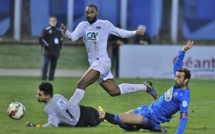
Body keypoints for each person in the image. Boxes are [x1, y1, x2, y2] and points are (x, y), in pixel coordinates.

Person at [60, 4, 157, 105]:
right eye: (87, 12)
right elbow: (72, 37)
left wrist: (134, 33)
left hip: (102, 61)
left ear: (96, 13)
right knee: (114, 91)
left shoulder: (105, 24)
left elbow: (121, 33)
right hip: (94, 64)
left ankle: (68, 111)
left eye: (92, 12)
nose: (89, 15)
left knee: (81, 84)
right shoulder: (82, 25)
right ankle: (145, 87)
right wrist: (66, 32)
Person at [100, 41, 194, 133]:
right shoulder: (177, 84)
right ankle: (141, 127)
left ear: (186, 80)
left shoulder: (184, 96)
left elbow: (184, 117)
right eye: (176, 76)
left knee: (119, 118)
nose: (175, 79)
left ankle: (153, 127)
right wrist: (183, 51)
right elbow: (177, 66)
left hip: (151, 118)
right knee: (123, 121)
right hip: (146, 110)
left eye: (178, 77)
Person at [26, 82, 104, 127]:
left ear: (48, 96)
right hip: (84, 110)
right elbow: (65, 108)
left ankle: (102, 118)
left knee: (99, 120)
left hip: (80, 122)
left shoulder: (48, 108)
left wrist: (36, 126)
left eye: (40, 95)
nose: (37, 96)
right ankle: (101, 113)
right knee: (99, 113)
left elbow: (53, 125)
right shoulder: (58, 96)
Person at [39, 16, 63, 81]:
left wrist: (60, 46)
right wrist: (47, 46)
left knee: (53, 65)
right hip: (47, 51)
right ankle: (44, 78)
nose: (53, 22)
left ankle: (51, 78)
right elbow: (41, 39)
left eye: (54, 20)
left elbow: (61, 40)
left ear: (56, 21)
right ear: (49, 21)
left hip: (55, 52)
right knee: (45, 64)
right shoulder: (46, 30)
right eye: (51, 20)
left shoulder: (58, 30)